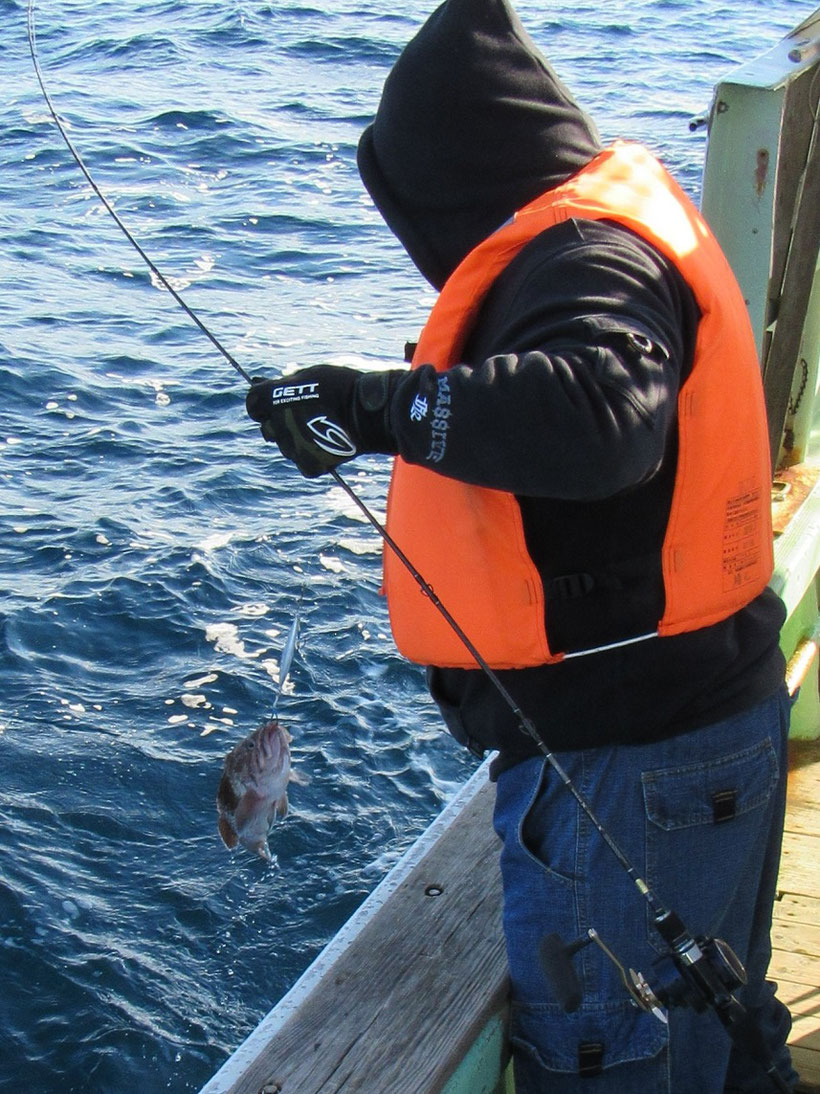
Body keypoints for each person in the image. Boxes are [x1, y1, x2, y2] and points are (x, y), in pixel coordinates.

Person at [246, 0, 798, 1089]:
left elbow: (600, 414)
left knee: (610, 1058)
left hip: (636, 769)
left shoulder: (586, 258)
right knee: (712, 1036)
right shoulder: (607, 235)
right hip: (699, 734)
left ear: (446, 180)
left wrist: (372, 408)